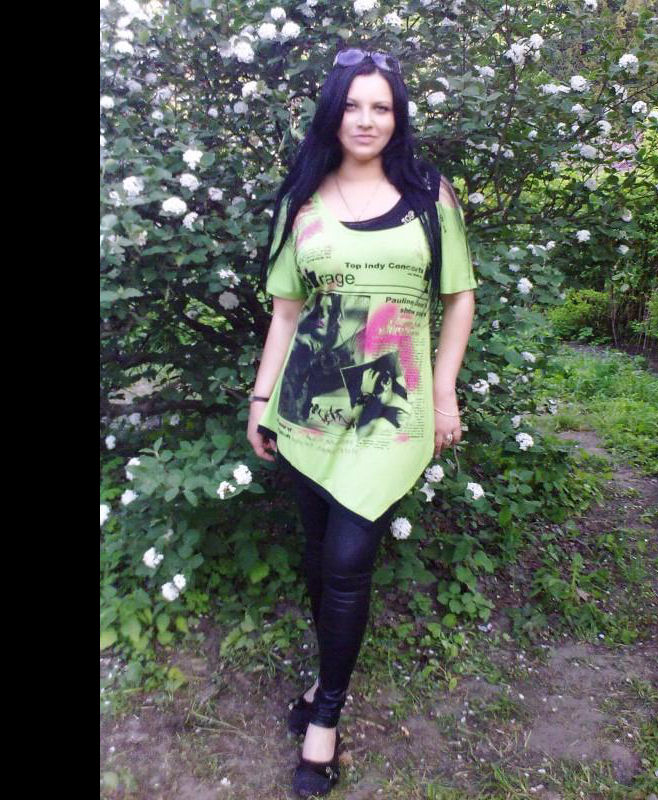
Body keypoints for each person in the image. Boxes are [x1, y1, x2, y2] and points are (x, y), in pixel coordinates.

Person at [246, 47, 476, 798]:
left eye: (382, 106)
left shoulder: (428, 194)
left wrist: (444, 394)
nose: (367, 120)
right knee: (319, 559)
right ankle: (325, 680)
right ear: (332, 114)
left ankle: (326, 719)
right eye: (352, 105)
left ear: (397, 117)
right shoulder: (303, 199)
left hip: (390, 413)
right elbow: (286, 313)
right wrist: (260, 401)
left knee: (348, 560)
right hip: (309, 410)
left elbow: (458, 298)